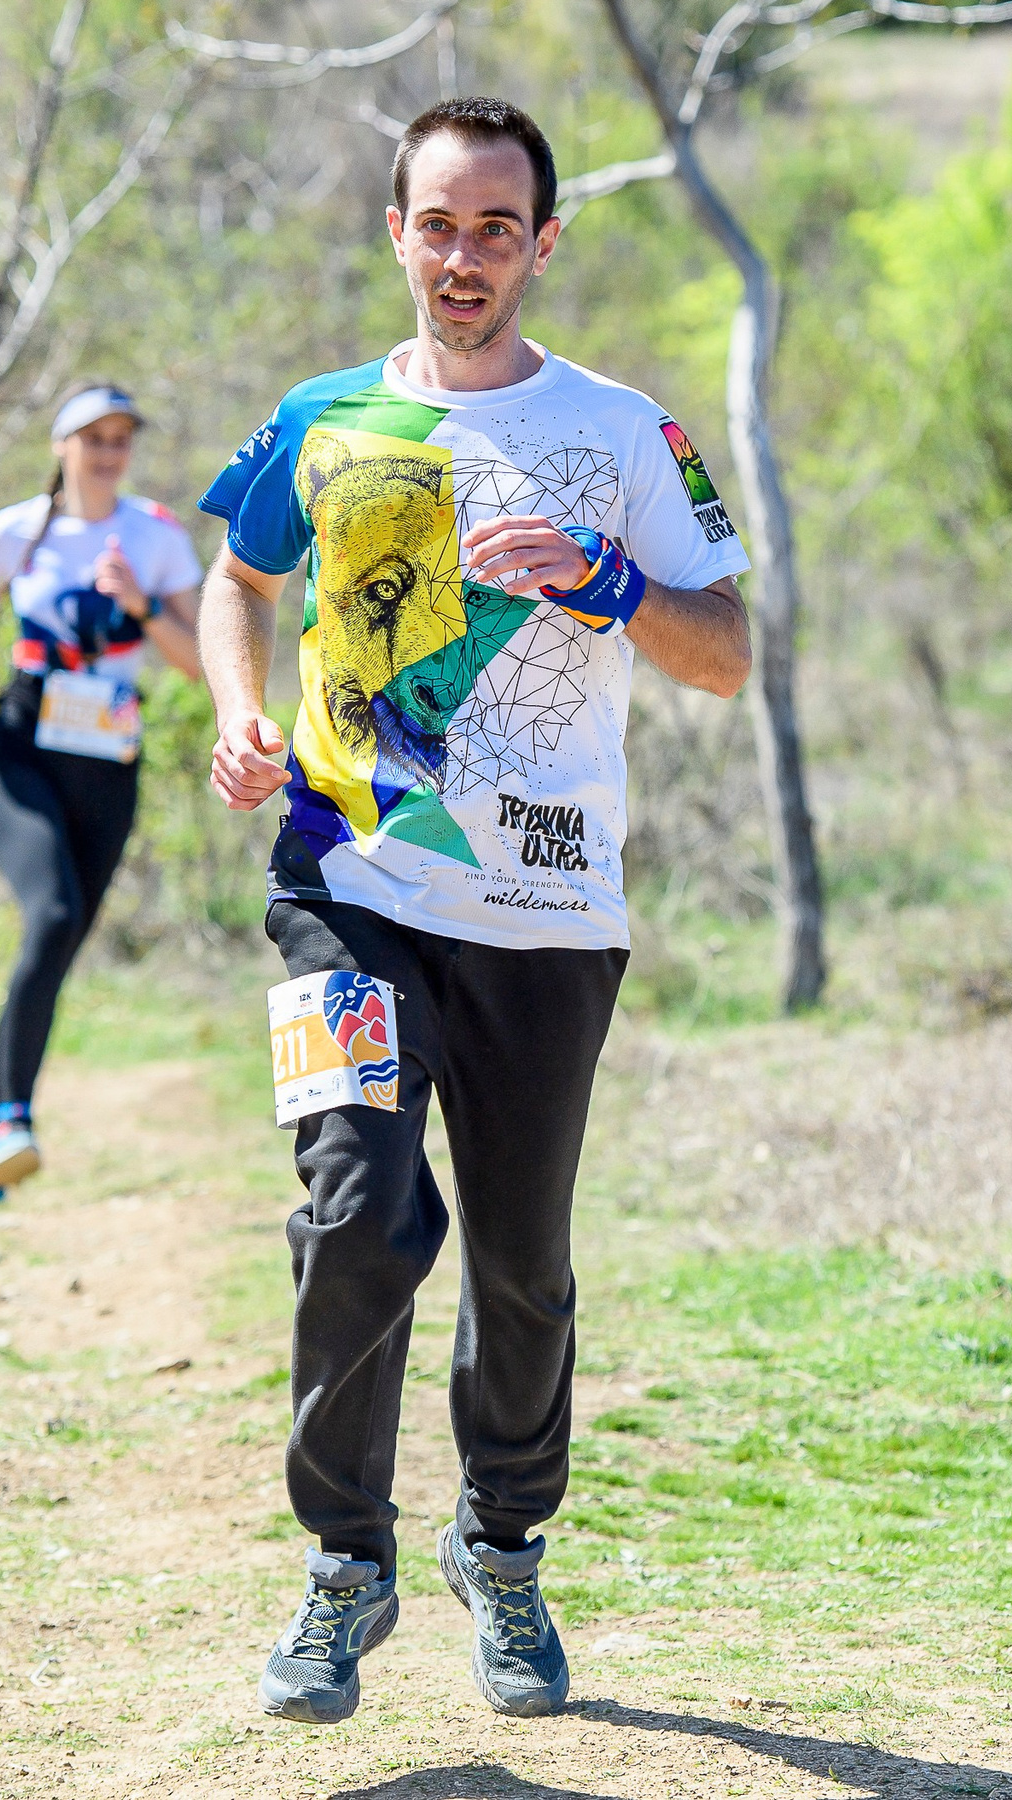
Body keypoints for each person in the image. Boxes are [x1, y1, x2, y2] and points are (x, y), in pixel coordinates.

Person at [197, 96, 754, 1726]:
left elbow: (731, 652)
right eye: (438, 223)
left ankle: (501, 1553)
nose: (464, 255)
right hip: (347, 884)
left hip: (552, 912)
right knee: (357, 1207)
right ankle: (341, 1569)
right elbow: (238, 577)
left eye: (496, 227)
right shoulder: (324, 414)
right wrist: (238, 711)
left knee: (522, 1265)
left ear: (543, 243)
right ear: (395, 232)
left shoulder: (628, 434)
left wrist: (613, 580)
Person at [0, 386, 206, 1208]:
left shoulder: (151, 536)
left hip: (109, 758)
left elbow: (193, 659)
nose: (109, 452)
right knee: (48, 919)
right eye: (93, 438)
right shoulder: (23, 527)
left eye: (121, 438)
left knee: (58, 945)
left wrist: (141, 606)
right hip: (22, 750)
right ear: (62, 446)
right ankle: (12, 1114)